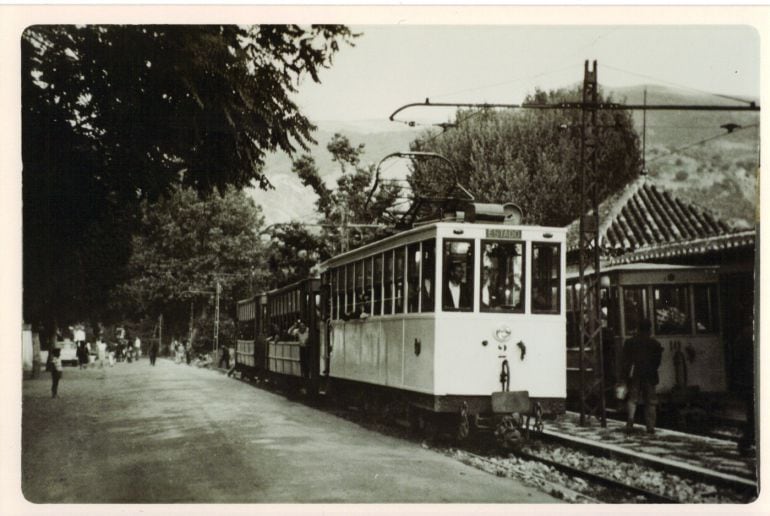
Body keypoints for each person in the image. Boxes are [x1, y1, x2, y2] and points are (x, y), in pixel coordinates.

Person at [622, 319, 663, 434]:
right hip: (650, 375)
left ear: (638, 329)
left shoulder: (630, 342)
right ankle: (650, 427)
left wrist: (624, 376)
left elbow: (626, 361)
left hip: (635, 374)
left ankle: (630, 422)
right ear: (649, 329)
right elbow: (657, 361)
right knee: (651, 401)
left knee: (632, 399)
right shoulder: (655, 344)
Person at [734, 319, 755, 455]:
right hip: (752, 380)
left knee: (753, 415)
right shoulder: (749, 334)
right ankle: (745, 443)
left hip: (749, 380)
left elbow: (737, 359)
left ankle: (746, 442)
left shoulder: (744, 335)